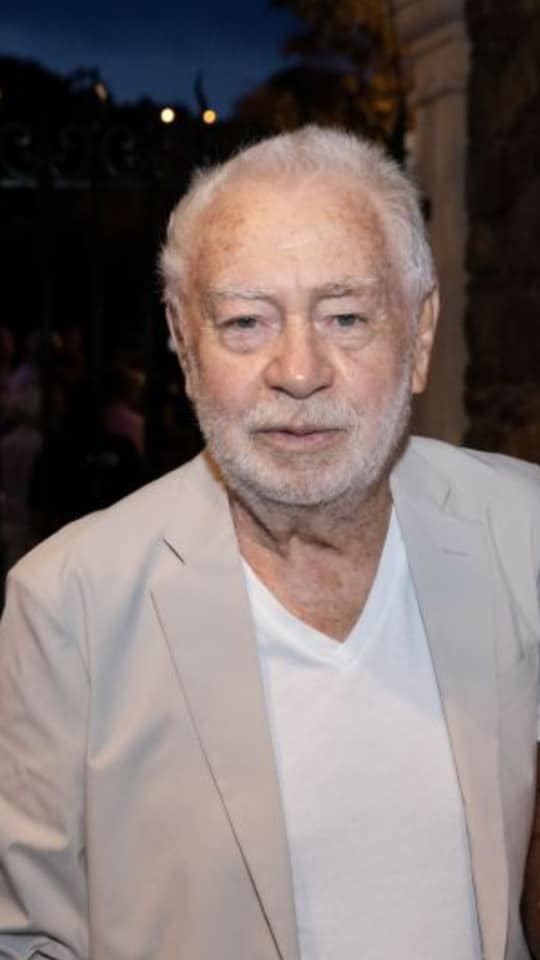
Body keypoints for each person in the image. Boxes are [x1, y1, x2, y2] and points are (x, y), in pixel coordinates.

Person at [0, 126, 538, 960]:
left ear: (421, 332)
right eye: (247, 321)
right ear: (185, 344)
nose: (298, 369)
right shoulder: (69, 603)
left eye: (346, 316)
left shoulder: (523, 530)